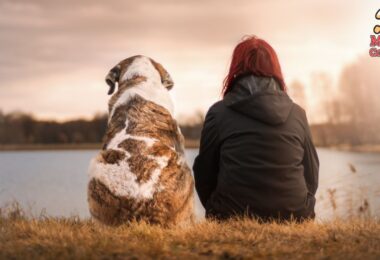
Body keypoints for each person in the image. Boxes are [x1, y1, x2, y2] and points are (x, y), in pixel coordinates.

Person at [193, 36, 319, 222]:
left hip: (230, 215)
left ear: (235, 68)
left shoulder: (218, 113)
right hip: (295, 215)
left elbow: (204, 173)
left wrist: (216, 209)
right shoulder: (297, 113)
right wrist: (301, 206)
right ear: (275, 69)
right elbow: (312, 173)